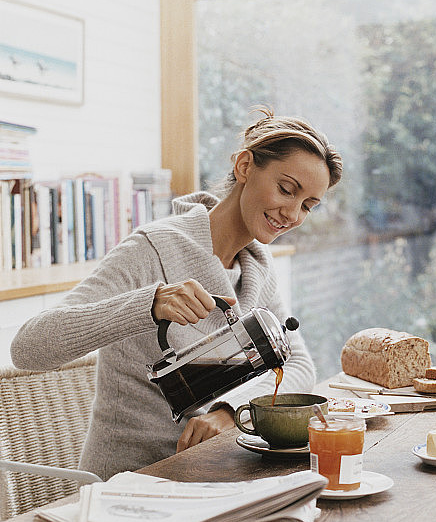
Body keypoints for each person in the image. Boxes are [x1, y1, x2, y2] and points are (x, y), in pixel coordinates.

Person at [11, 107, 343, 480]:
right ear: (245, 166)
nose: (293, 214)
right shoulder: (153, 248)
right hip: (131, 483)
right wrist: (147, 304)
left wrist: (231, 410)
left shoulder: (256, 265)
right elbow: (28, 348)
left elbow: (299, 365)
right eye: (286, 189)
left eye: (308, 206)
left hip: (215, 473)